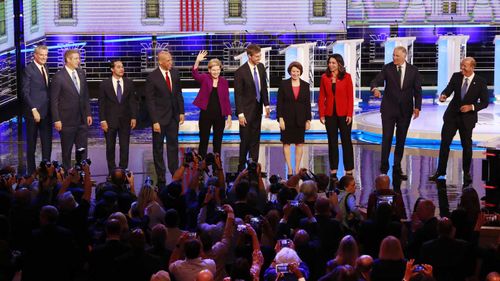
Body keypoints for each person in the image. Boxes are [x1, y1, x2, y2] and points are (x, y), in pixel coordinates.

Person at [429, 57, 489, 185]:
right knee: (444, 143)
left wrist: (471, 107)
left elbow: (485, 103)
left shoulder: (480, 82)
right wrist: (444, 95)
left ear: (472, 67)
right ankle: (441, 171)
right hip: (451, 116)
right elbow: (448, 89)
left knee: (466, 146)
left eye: (465, 66)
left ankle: (466, 172)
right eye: (461, 65)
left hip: (467, 119)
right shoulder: (456, 76)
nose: (462, 68)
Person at [370, 46, 422, 180]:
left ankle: (397, 167)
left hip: (405, 111)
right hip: (388, 109)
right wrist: (375, 88)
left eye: (397, 56)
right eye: (393, 55)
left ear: (404, 56)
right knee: (386, 138)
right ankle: (383, 168)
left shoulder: (413, 70)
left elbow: (417, 90)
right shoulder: (387, 68)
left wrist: (418, 107)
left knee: (401, 139)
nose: (394, 58)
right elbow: (376, 80)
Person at [145, 51, 185, 185]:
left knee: (173, 145)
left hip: (173, 117)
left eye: (171, 60)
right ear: (160, 62)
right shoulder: (152, 77)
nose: (170, 63)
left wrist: (181, 112)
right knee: (158, 148)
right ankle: (161, 175)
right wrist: (154, 121)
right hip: (159, 119)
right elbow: (149, 101)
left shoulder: (175, 73)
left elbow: (178, 93)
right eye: (168, 61)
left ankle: (174, 171)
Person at [50, 49, 92, 169]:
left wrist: (88, 113)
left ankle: (83, 175)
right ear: (68, 59)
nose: (79, 61)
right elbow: (54, 100)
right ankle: (68, 177)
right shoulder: (59, 77)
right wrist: (56, 119)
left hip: (82, 120)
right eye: (76, 58)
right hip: (66, 121)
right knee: (67, 152)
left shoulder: (81, 73)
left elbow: (85, 96)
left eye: (79, 58)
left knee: (83, 150)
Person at [234, 44, 270, 171]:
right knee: (245, 140)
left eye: (260, 55)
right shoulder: (240, 72)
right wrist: (240, 114)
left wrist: (266, 105)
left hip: (257, 109)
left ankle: (253, 164)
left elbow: (263, 88)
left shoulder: (260, 67)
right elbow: (238, 95)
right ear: (249, 56)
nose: (259, 58)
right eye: (257, 56)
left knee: (255, 138)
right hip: (245, 111)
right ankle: (241, 166)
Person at [318, 54, 354, 181]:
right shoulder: (324, 77)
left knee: (346, 141)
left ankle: (348, 169)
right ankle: (333, 169)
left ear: (339, 64)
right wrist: (321, 114)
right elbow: (321, 97)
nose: (331, 65)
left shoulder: (347, 77)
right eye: (329, 63)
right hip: (330, 114)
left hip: (344, 114)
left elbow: (350, 97)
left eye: (333, 62)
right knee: (332, 142)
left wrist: (350, 114)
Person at [99, 60, 138, 174]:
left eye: (122, 67)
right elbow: (101, 104)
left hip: (125, 120)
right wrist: (102, 120)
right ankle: (112, 171)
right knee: (110, 147)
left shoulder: (129, 83)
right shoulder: (104, 84)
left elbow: (132, 102)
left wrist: (134, 117)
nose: (122, 69)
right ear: (112, 69)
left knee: (125, 146)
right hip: (110, 121)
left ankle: (123, 170)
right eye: (118, 67)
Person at [191, 50, 232, 158]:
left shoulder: (224, 82)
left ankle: (216, 166)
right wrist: (197, 61)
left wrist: (229, 116)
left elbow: (226, 99)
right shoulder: (205, 78)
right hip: (206, 114)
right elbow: (195, 75)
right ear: (209, 70)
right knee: (204, 139)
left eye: (218, 70)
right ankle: (201, 164)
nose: (216, 72)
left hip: (219, 115)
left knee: (217, 141)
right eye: (213, 70)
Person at [276, 61, 312, 176]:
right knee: (286, 143)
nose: (295, 73)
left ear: (300, 72)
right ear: (290, 72)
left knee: (299, 144)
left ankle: (297, 168)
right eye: (293, 71)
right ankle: (290, 169)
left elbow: (307, 104)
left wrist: (308, 119)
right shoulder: (283, 84)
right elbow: (279, 103)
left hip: (300, 119)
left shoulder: (306, 85)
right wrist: (280, 118)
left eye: (297, 71)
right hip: (286, 119)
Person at [22, 45, 52, 175]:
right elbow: (25, 92)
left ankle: (47, 170)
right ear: (35, 55)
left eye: (46, 55)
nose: (44, 57)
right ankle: (31, 173)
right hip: (33, 113)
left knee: (47, 143)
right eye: (41, 55)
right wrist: (33, 109)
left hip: (46, 111)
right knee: (31, 144)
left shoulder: (46, 67)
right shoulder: (28, 70)